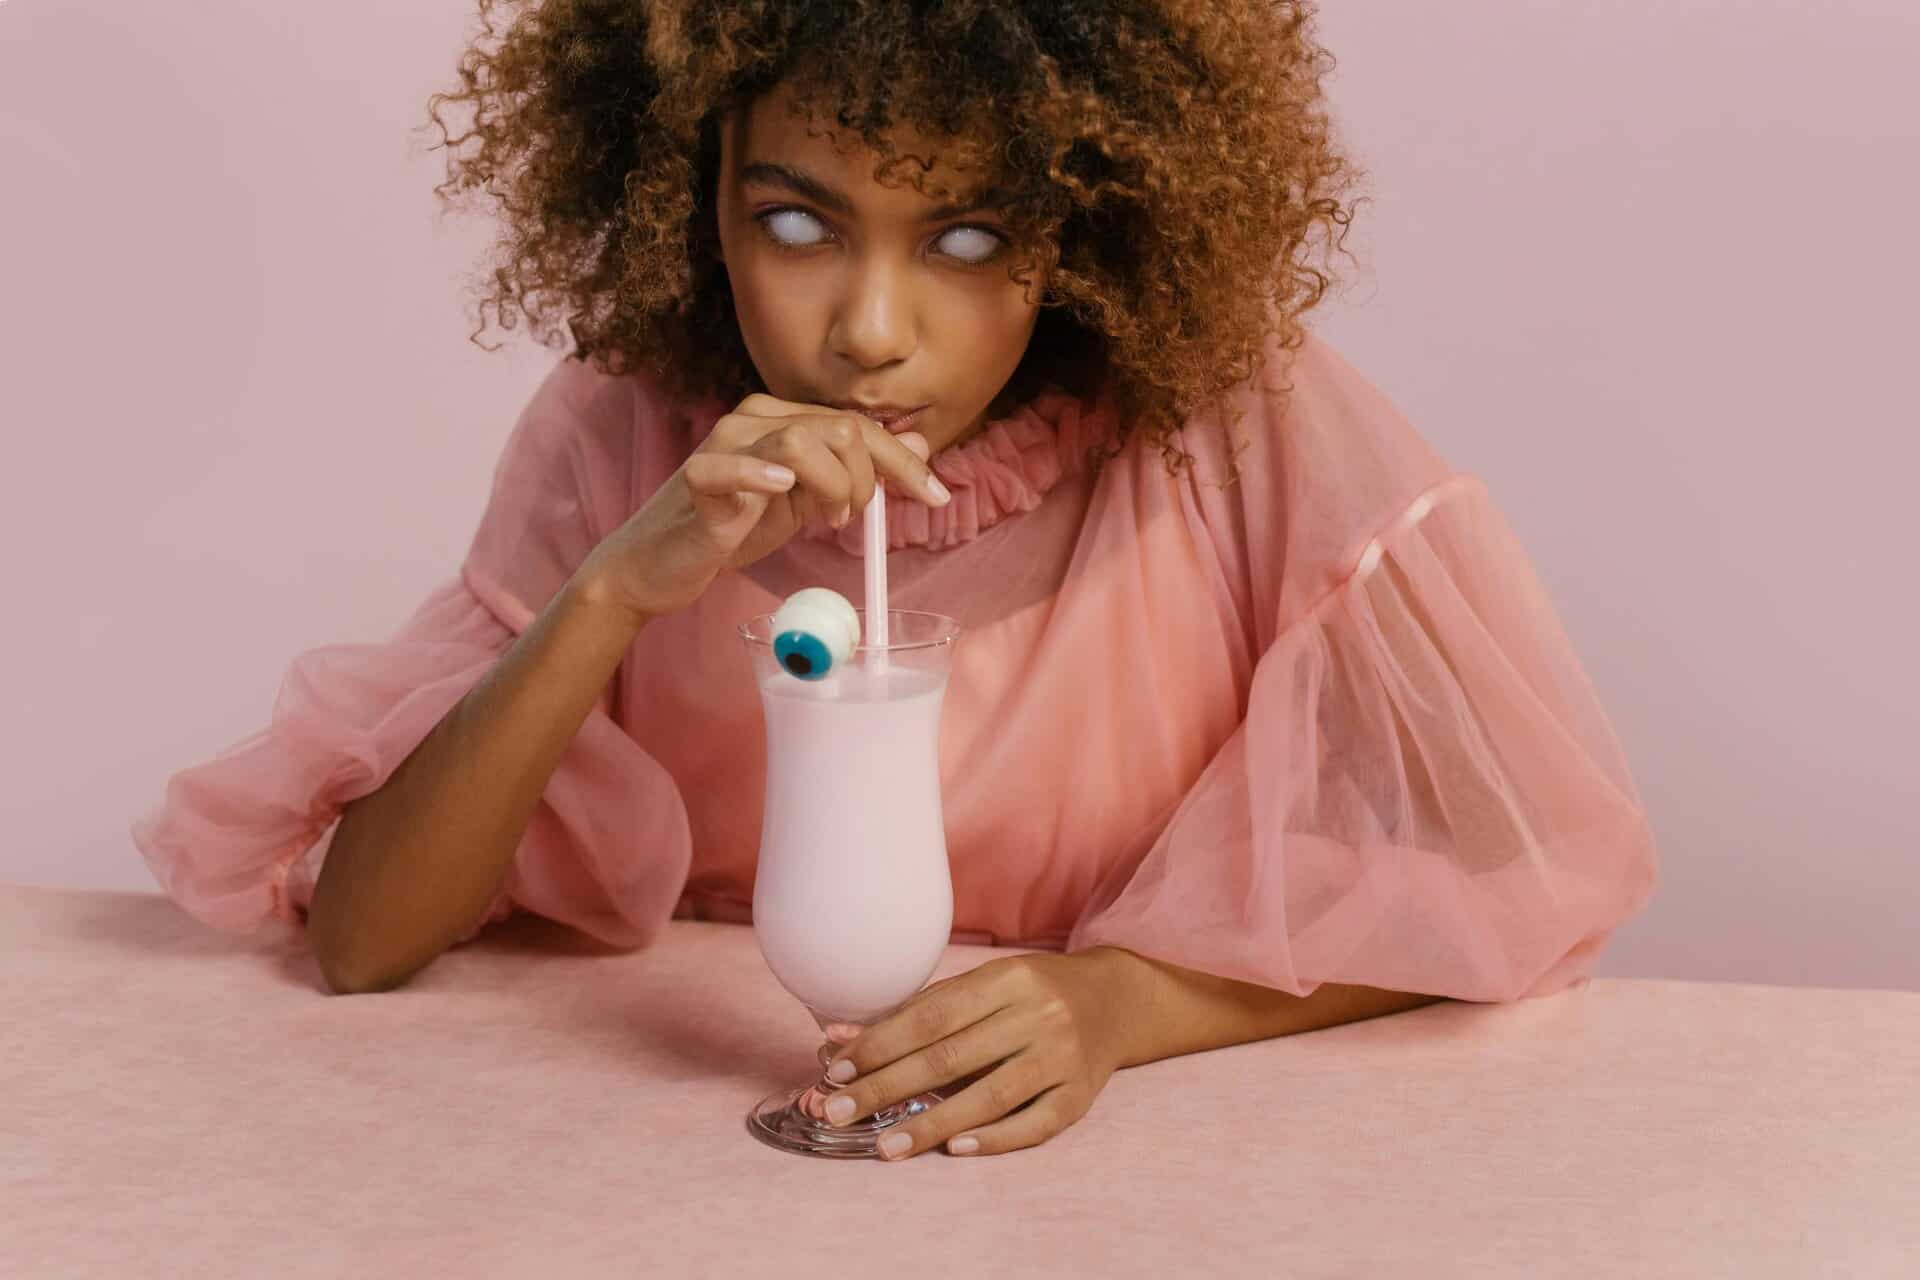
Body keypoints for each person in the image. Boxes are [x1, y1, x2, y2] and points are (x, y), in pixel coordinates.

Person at [130, 0, 1658, 1161]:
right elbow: (364, 942)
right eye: (795, 223)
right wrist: (611, 595)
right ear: (691, 188)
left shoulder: (1223, 429)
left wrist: (1127, 1006)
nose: (870, 329)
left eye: (968, 235)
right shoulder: (630, 429)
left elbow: (1515, 865)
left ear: (1083, 229)